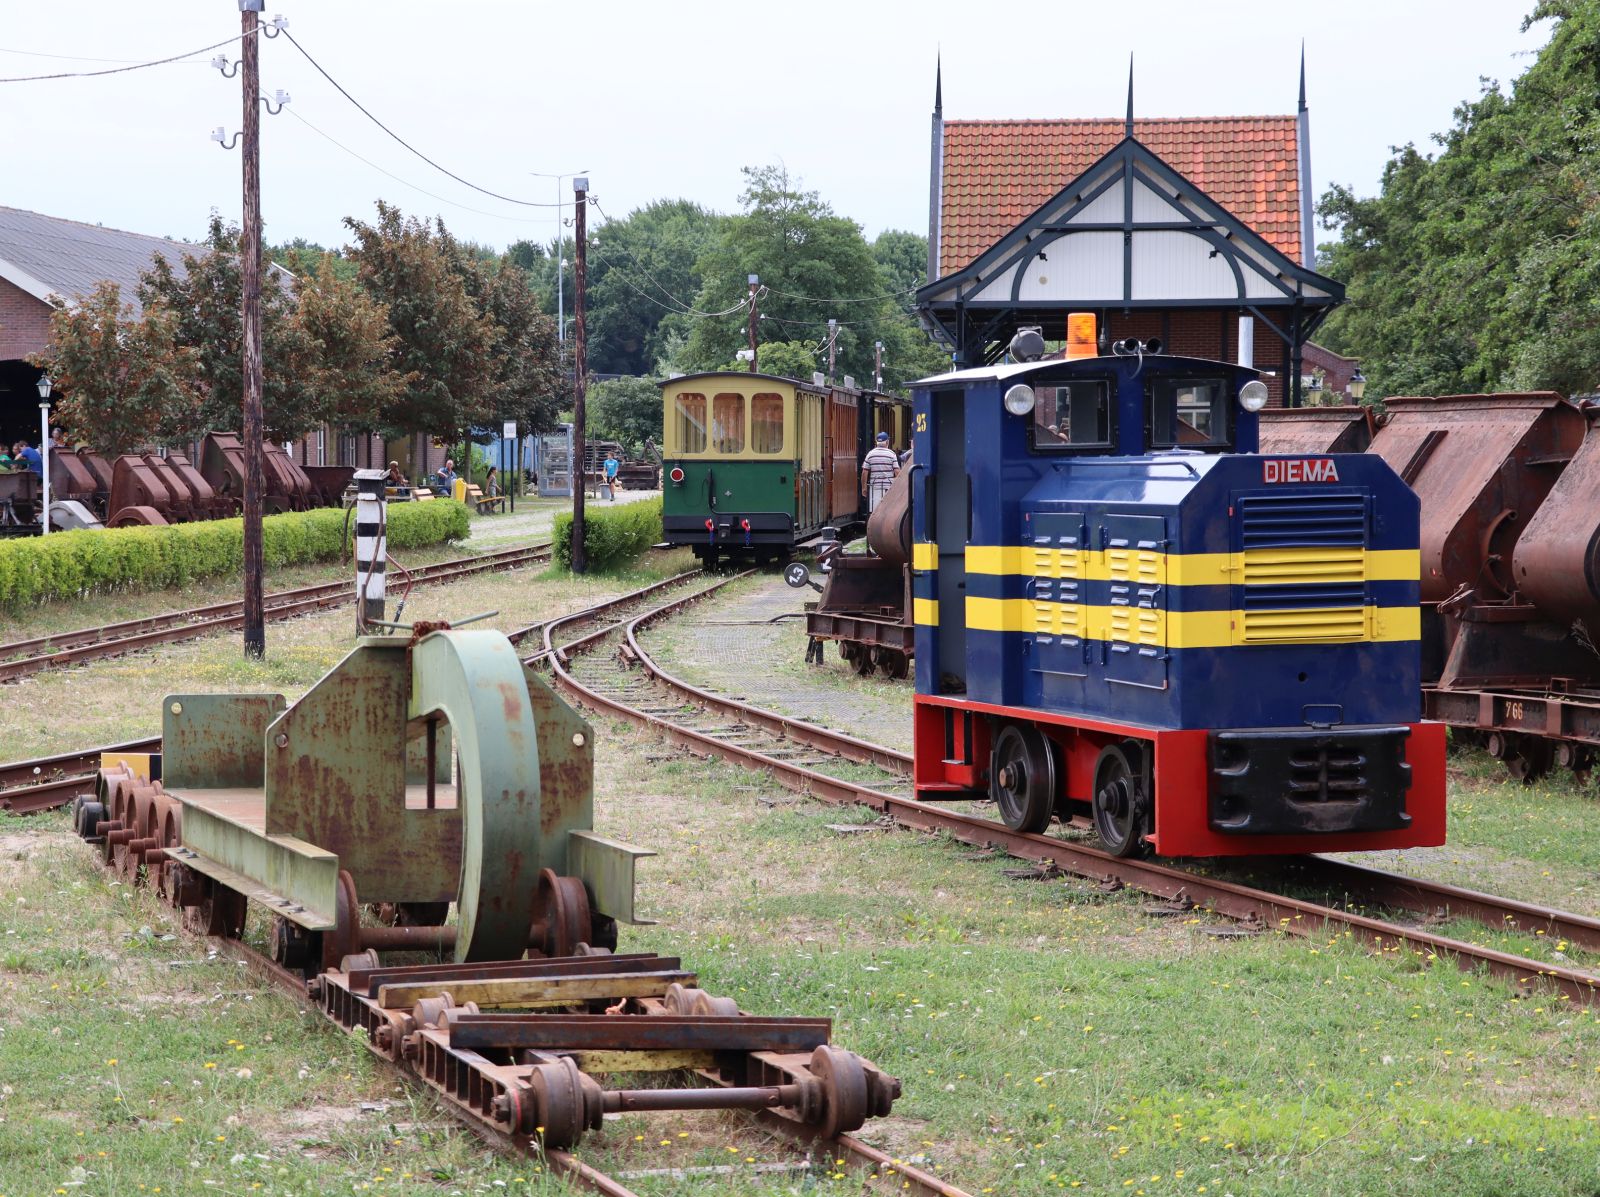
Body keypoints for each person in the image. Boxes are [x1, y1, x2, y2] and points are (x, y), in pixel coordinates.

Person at [860, 431, 899, 512]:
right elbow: (897, 471)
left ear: (876, 442)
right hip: (889, 488)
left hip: (875, 487)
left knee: (875, 511)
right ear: (887, 442)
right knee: (888, 511)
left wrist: (864, 488)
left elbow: (864, 472)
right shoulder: (892, 454)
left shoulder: (870, 454)